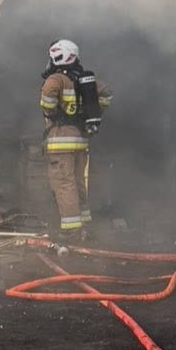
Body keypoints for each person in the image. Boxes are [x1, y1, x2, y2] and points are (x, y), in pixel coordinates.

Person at [38, 39, 112, 236]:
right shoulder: (85, 80)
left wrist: (53, 112)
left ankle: (71, 229)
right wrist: (93, 113)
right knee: (78, 181)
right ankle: (84, 223)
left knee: (64, 182)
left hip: (61, 140)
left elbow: (47, 99)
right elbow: (106, 94)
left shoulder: (56, 79)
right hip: (80, 139)